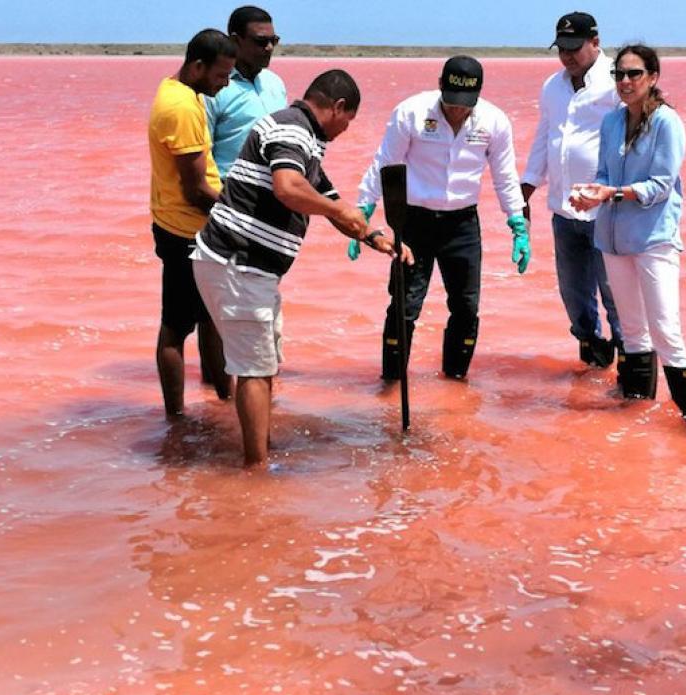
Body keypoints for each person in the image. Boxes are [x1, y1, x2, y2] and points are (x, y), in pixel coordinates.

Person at [190, 70, 413, 467]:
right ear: (338, 107)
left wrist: (375, 236)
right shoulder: (292, 129)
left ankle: (261, 447)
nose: (345, 130)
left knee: (264, 362)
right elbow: (289, 188)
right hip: (238, 263)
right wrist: (338, 210)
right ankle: (256, 469)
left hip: (251, 268)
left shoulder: (304, 138)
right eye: (349, 121)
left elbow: (326, 196)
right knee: (254, 368)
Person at [352, 56, 529, 381]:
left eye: (465, 103)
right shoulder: (411, 113)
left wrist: (518, 223)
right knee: (405, 305)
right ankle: (391, 383)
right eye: (452, 100)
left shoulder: (494, 121)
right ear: (440, 85)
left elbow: (505, 176)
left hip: (462, 225)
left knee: (466, 307)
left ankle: (455, 383)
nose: (457, 110)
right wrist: (362, 212)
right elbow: (385, 164)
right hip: (414, 223)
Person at [568, 44, 686, 425]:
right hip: (612, 239)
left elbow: (661, 185)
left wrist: (612, 193)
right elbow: (604, 175)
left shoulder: (667, 123)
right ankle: (636, 415)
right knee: (631, 331)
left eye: (634, 74)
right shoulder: (611, 121)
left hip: (653, 239)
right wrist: (591, 195)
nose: (625, 81)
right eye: (619, 74)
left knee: (665, 330)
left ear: (653, 77)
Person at [521, 11, 623, 369]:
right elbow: (544, 139)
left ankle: (632, 372)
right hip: (564, 211)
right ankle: (592, 362)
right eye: (561, 48)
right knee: (574, 295)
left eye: (573, 48)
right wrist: (526, 187)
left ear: (595, 42)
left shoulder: (617, 81)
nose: (566, 56)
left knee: (616, 295)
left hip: (606, 212)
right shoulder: (552, 86)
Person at [147, 29, 237, 418]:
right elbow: (196, 190)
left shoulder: (184, 91)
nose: (225, 83)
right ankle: (176, 419)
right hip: (185, 231)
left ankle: (225, 402)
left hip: (192, 227)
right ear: (197, 67)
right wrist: (239, 213)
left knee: (212, 319)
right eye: (221, 75)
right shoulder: (181, 108)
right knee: (175, 328)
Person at [205, 5, 288, 178]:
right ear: (235, 41)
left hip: (274, 188)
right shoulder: (213, 88)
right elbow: (202, 156)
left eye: (274, 40)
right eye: (261, 41)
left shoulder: (275, 83)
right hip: (229, 189)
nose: (269, 47)